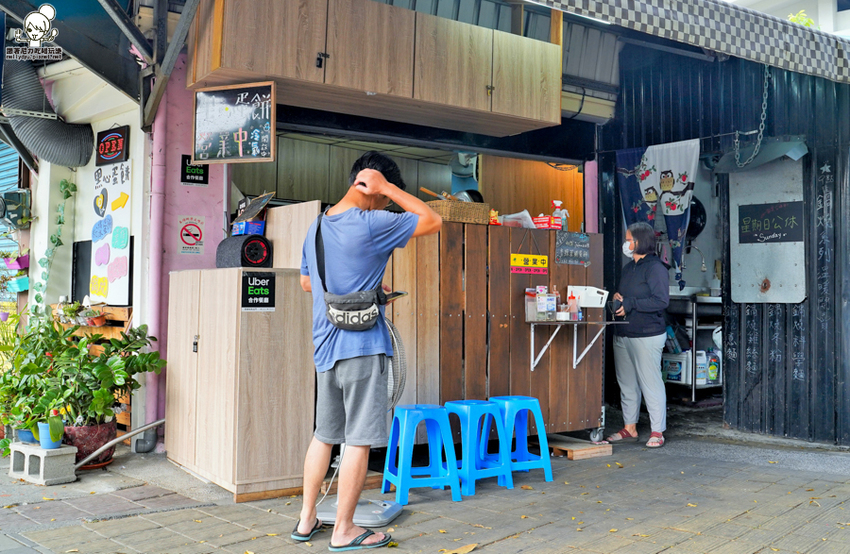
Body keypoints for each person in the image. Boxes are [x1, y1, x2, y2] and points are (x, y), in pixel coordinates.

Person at [294, 151, 442, 551]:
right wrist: (388, 186)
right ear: (373, 187)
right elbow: (433, 221)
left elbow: (308, 285)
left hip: (325, 345)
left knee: (324, 435)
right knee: (357, 440)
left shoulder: (317, 228)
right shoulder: (372, 221)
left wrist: (364, 292)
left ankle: (307, 519)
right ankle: (343, 531)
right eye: (386, 196)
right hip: (362, 345)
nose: (388, 203)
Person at [606, 221, 670, 448]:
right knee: (627, 383)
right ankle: (629, 427)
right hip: (623, 332)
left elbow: (661, 301)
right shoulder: (628, 267)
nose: (626, 243)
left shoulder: (655, 268)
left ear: (640, 241)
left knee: (650, 382)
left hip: (647, 334)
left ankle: (657, 430)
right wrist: (620, 298)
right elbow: (628, 297)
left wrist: (631, 303)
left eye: (629, 239)